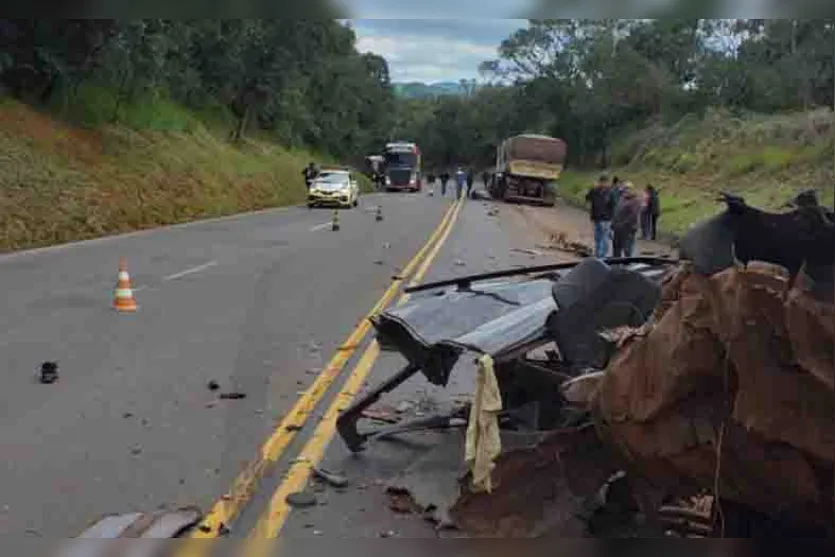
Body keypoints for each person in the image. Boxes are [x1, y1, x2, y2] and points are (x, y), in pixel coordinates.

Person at [585, 174, 615, 259]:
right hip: (596, 218)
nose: (603, 184)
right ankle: (598, 254)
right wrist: (592, 189)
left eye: (604, 182)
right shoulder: (595, 190)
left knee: (604, 237)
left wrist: (611, 217)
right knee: (597, 237)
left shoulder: (610, 192)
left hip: (605, 218)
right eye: (601, 182)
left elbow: (614, 205)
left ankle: (603, 255)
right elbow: (587, 198)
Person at [612, 181, 642, 258]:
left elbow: (633, 216)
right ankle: (616, 265)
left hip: (628, 229)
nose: (625, 191)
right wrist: (613, 223)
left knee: (627, 250)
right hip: (618, 228)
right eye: (624, 189)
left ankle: (627, 266)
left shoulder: (635, 200)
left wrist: (622, 224)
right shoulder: (622, 198)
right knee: (616, 248)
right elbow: (616, 211)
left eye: (627, 189)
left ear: (632, 189)